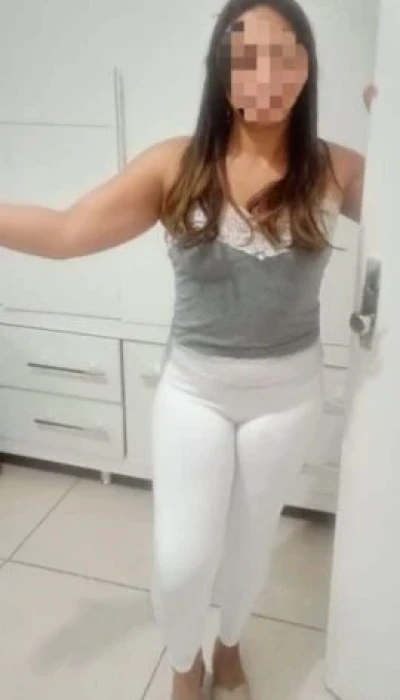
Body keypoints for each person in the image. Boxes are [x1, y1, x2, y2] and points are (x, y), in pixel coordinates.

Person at [0, 0, 377, 698]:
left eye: (285, 56)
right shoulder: (177, 164)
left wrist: (392, 126)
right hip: (195, 392)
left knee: (249, 552)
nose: (266, 76)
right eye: (246, 58)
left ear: (306, 68)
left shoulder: (336, 170)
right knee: (181, 563)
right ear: (220, 72)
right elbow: (64, 232)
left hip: (288, 398)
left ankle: (229, 644)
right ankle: (185, 661)